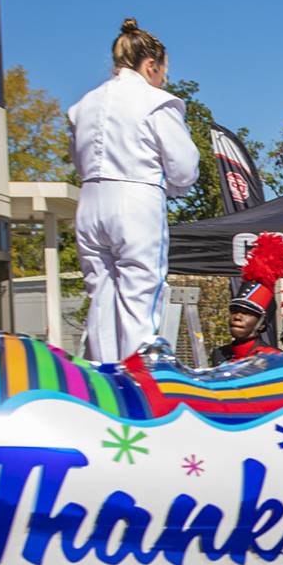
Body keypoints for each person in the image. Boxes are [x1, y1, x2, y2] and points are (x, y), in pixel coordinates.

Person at [68, 18, 198, 363]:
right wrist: (171, 186)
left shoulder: (84, 104)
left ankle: (102, 380)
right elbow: (184, 167)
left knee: (101, 300)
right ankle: (137, 387)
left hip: (91, 200)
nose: (162, 80)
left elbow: (78, 159)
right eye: (161, 72)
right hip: (135, 198)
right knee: (140, 301)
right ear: (151, 65)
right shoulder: (153, 100)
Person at [214, 233, 283, 365]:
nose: (237, 316)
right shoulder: (218, 354)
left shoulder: (275, 358)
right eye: (235, 310)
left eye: (247, 313)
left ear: (262, 324)